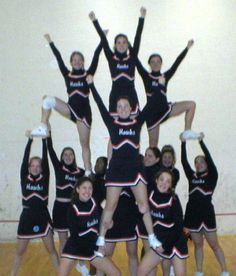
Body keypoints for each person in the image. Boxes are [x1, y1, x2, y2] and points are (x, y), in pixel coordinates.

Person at [86, 75, 163, 258]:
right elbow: (99, 104)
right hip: (117, 170)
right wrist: (91, 85)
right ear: (116, 109)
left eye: (125, 106)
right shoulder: (111, 122)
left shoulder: (137, 122)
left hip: (135, 169)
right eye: (119, 106)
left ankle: (152, 237)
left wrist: (159, 87)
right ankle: (101, 240)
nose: (122, 109)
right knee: (110, 206)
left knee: (144, 206)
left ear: (131, 108)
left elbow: (151, 104)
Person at [30, 32, 105, 176]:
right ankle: (43, 127)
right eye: (74, 60)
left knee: (84, 144)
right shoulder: (67, 75)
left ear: (83, 62)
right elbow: (58, 59)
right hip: (70, 109)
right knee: (48, 100)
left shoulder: (88, 74)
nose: (77, 62)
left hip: (83, 115)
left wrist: (102, 40)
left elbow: (96, 56)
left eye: (79, 60)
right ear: (71, 62)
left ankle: (88, 171)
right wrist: (50, 42)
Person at [180, 133, 229, 276]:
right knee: (198, 245)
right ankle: (199, 272)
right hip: (193, 217)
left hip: (207, 216)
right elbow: (184, 162)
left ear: (207, 164)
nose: (199, 164)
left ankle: (225, 271)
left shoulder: (212, 175)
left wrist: (200, 141)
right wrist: (183, 143)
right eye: (196, 162)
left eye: (202, 161)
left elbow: (210, 158)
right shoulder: (192, 176)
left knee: (214, 245)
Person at [135, 39, 200, 146]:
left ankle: (187, 131)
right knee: (153, 145)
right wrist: (129, 47)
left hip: (165, 109)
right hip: (152, 114)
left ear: (161, 63)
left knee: (191, 104)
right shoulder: (146, 76)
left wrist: (187, 48)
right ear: (149, 64)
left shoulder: (165, 76)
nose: (155, 63)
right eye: (153, 61)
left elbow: (176, 63)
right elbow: (136, 61)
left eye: (158, 61)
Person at [11, 132, 59, 276]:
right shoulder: (24, 177)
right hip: (27, 216)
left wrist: (45, 140)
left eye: (38, 166)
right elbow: (25, 159)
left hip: (42, 216)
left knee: (51, 250)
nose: (36, 167)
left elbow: (46, 159)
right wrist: (30, 141)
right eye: (33, 165)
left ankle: (60, 273)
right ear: (29, 167)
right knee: (20, 251)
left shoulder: (45, 178)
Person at [89, 7, 146, 117]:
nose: (121, 45)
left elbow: (138, 37)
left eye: (124, 42)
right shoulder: (111, 58)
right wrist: (94, 20)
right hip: (115, 96)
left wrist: (142, 18)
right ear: (115, 45)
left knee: (134, 127)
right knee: (115, 128)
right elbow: (103, 41)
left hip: (131, 96)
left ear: (128, 44)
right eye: (118, 42)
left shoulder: (132, 57)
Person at [58, 177, 120, 276]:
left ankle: (82, 265)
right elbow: (75, 236)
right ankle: (81, 265)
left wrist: (110, 224)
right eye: (84, 188)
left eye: (90, 188)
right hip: (75, 246)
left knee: (116, 273)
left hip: (92, 247)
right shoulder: (72, 208)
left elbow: (103, 221)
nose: (87, 191)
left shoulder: (95, 203)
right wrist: (96, 247)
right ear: (77, 189)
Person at [137, 169, 188, 276]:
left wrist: (165, 246)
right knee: (141, 271)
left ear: (171, 185)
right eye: (162, 180)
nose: (164, 183)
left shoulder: (174, 200)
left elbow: (178, 228)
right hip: (159, 240)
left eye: (168, 181)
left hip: (176, 242)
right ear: (156, 180)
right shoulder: (149, 195)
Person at [105, 188, 140, 276]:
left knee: (132, 254)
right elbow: (98, 200)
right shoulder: (109, 179)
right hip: (112, 223)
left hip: (130, 223)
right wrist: (105, 218)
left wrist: (136, 217)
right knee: (106, 256)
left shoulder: (134, 181)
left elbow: (142, 201)